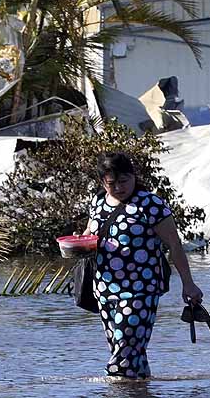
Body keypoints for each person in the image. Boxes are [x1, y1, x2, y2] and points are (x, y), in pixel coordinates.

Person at [81, 151, 202, 379]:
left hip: (140, 290)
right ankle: (141, 390)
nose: (118, 187)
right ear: (102, 182)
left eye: (124, 181)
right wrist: (78, 243)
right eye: (111, 183)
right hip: (105, 290)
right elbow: (89, 234)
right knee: (131, 354)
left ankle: (114, 392)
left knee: (123, 355)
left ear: (133, 176)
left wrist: (189, 284)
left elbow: (174, 245)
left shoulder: (150, 204)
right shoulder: (98, 202)